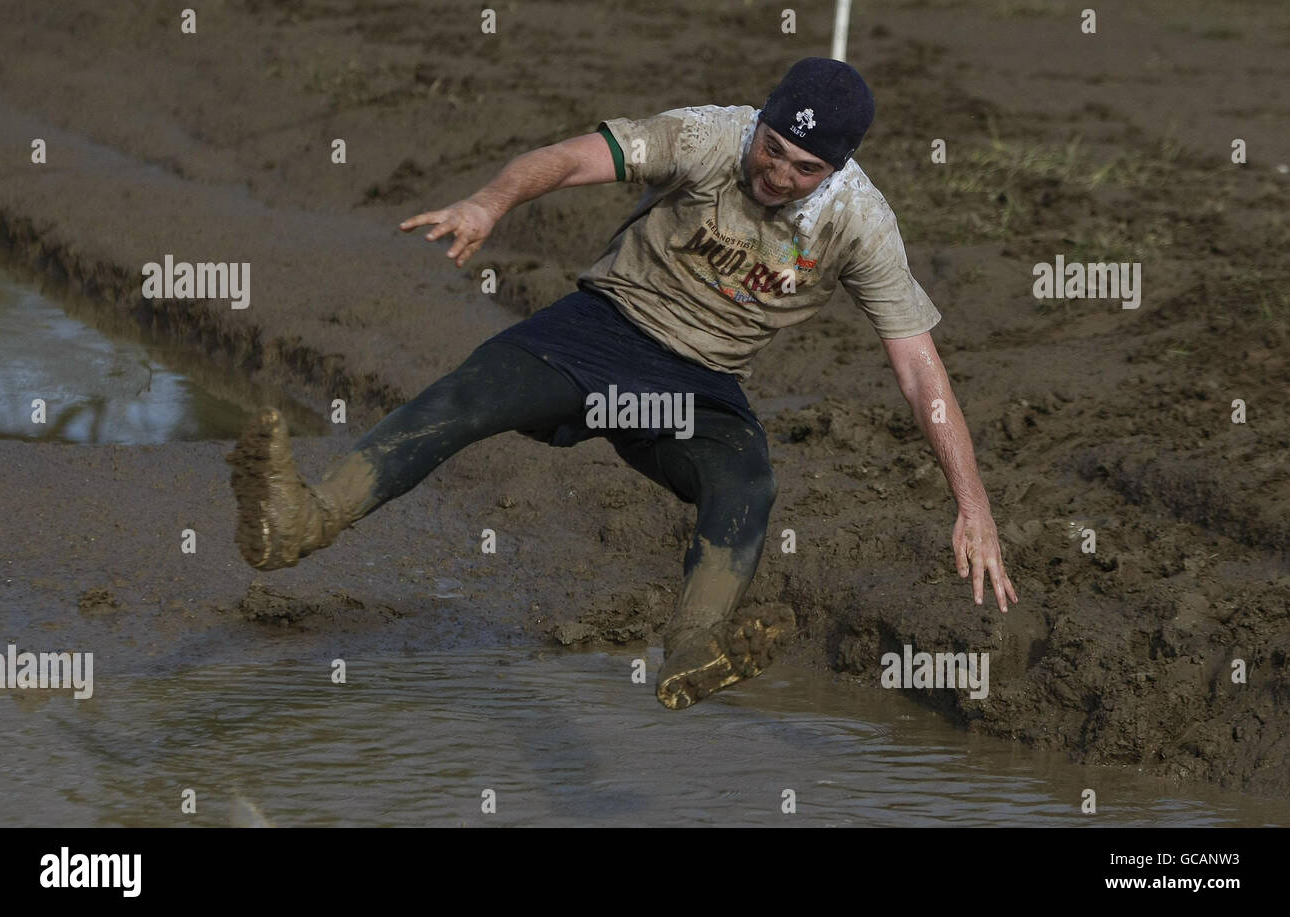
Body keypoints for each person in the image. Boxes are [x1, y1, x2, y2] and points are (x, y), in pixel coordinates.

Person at [226, 57, 1018, 711]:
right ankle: (305, 518)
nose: (777, 173)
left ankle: (692, 647)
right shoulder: (708, 136)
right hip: (600, 328)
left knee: (746, 482)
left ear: (837, 168)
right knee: (464, 398)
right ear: (761, 122)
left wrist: (972, 504)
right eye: (772, 148)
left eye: (804, 167)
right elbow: (575, 156)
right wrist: (488, 201)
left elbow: (920, 370)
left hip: (698, 384)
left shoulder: (862, 225)